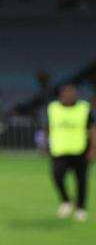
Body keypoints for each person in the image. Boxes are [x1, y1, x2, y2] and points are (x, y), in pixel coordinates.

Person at [47, 84, 94, 221]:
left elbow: (92, 128)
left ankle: (81, 208)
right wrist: (46, 143)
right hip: (59, 150)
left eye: (71, 93)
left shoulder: (84, 108)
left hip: (80, 149)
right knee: (57, 175)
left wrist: (93, 148)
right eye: (65, 93)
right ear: (61, 95)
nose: (68, 96)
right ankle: (66, 200)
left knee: (81, 181)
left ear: (75, 95)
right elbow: (49, 126)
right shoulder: (53, 108)